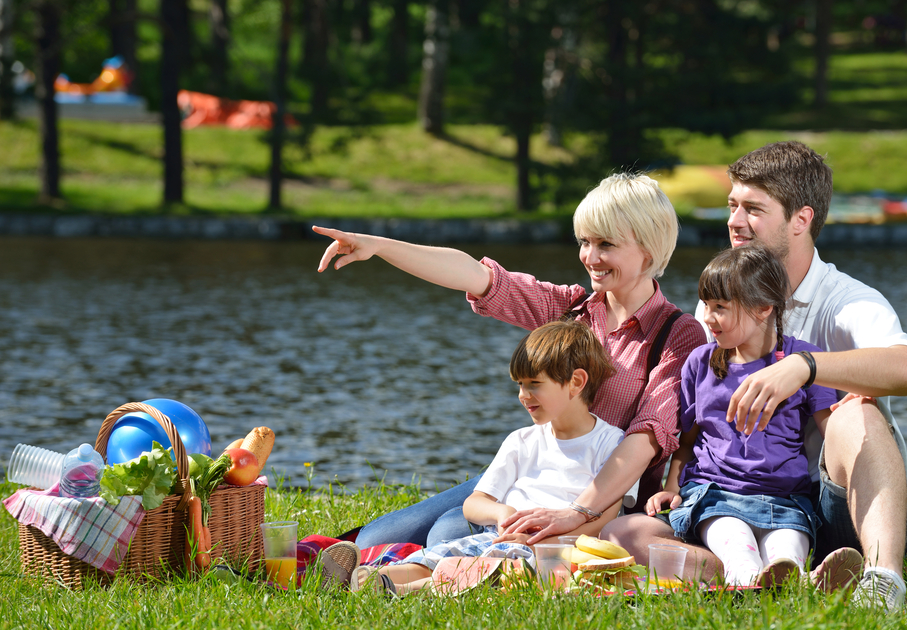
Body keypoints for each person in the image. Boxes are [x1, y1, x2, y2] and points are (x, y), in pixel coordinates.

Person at [313, 173, 708, 570]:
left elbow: (645, 439)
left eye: (606, 244)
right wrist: (380, 246)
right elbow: (479, 277)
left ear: (648, 250)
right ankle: (378, 568)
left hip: (603, 498)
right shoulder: (570, 310)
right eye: (585, 242)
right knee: (373, 539)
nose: (590, 256)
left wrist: (577, 513)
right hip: (534, 474)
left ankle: (405, 576)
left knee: (447, 533)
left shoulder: (678, 334)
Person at [605, 141, 907, 610]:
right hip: (729, 498)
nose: (735, 221)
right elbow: (699, 417)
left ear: (801, 220)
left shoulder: (849, 301)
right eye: (732, 205)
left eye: (753, 208)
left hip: (836, 509)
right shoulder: (721, 301)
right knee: (629, 532)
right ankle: (744, 573)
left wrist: (804, 366)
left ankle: (882, 579)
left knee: (857, 410)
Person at [343, 320, 639, 595]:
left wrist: (541, 544)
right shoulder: (521, 440)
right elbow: (474, 503)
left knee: (487, 571)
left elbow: (604, 521)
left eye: (534, 384)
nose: (523, 395)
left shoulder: (611, 443)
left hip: (556, 552)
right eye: (519, 385)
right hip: (496, 538)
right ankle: (361, 578)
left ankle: (400, 590)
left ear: (576, 382)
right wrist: (501, 514)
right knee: (434, 557)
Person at [644, 244, 843, 588]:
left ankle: (797, 581)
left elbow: (833, 430)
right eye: (707, 305)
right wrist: (672, 486)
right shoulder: (700, 363)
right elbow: (688, 438)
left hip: (786, 502)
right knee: (737, 549)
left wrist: (854, 410)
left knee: (786, 556)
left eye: (720, 308)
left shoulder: (803, 361)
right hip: (717, 495)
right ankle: (775, 584)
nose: (707, 317)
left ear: (764, 308)